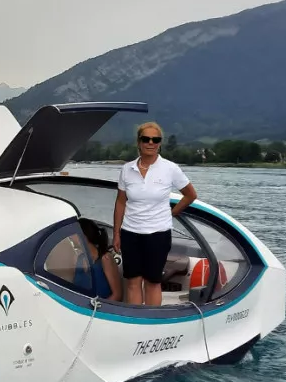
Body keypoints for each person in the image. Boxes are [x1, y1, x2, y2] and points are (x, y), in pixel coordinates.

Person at [112, 121, 197, 306]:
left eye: (155, 139)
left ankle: (150, 321)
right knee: (133, 281)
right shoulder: (127, 169)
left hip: (158, 234)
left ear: (160, 143)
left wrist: (172, 213)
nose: (150, 143)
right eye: (146, 139)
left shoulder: (170, 168)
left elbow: (190, 195)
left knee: (152, 281)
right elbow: (120, 202)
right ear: (139, 142)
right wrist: (116, 233)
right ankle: (136, 320)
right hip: (130, 233)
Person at [74, 217, 123, 303]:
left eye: (74, 234)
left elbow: (117, 295)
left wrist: (98, 309)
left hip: (100, 311)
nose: (71, 237)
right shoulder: (80, 258)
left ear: (84, 236)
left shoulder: (105, 259)